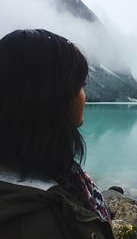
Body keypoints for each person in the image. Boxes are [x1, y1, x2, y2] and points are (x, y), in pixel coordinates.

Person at [0, 29, 114, 239]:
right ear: (51, 97)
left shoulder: (42, 174)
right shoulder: (42, 222)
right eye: (80, 85)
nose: (83, 96)